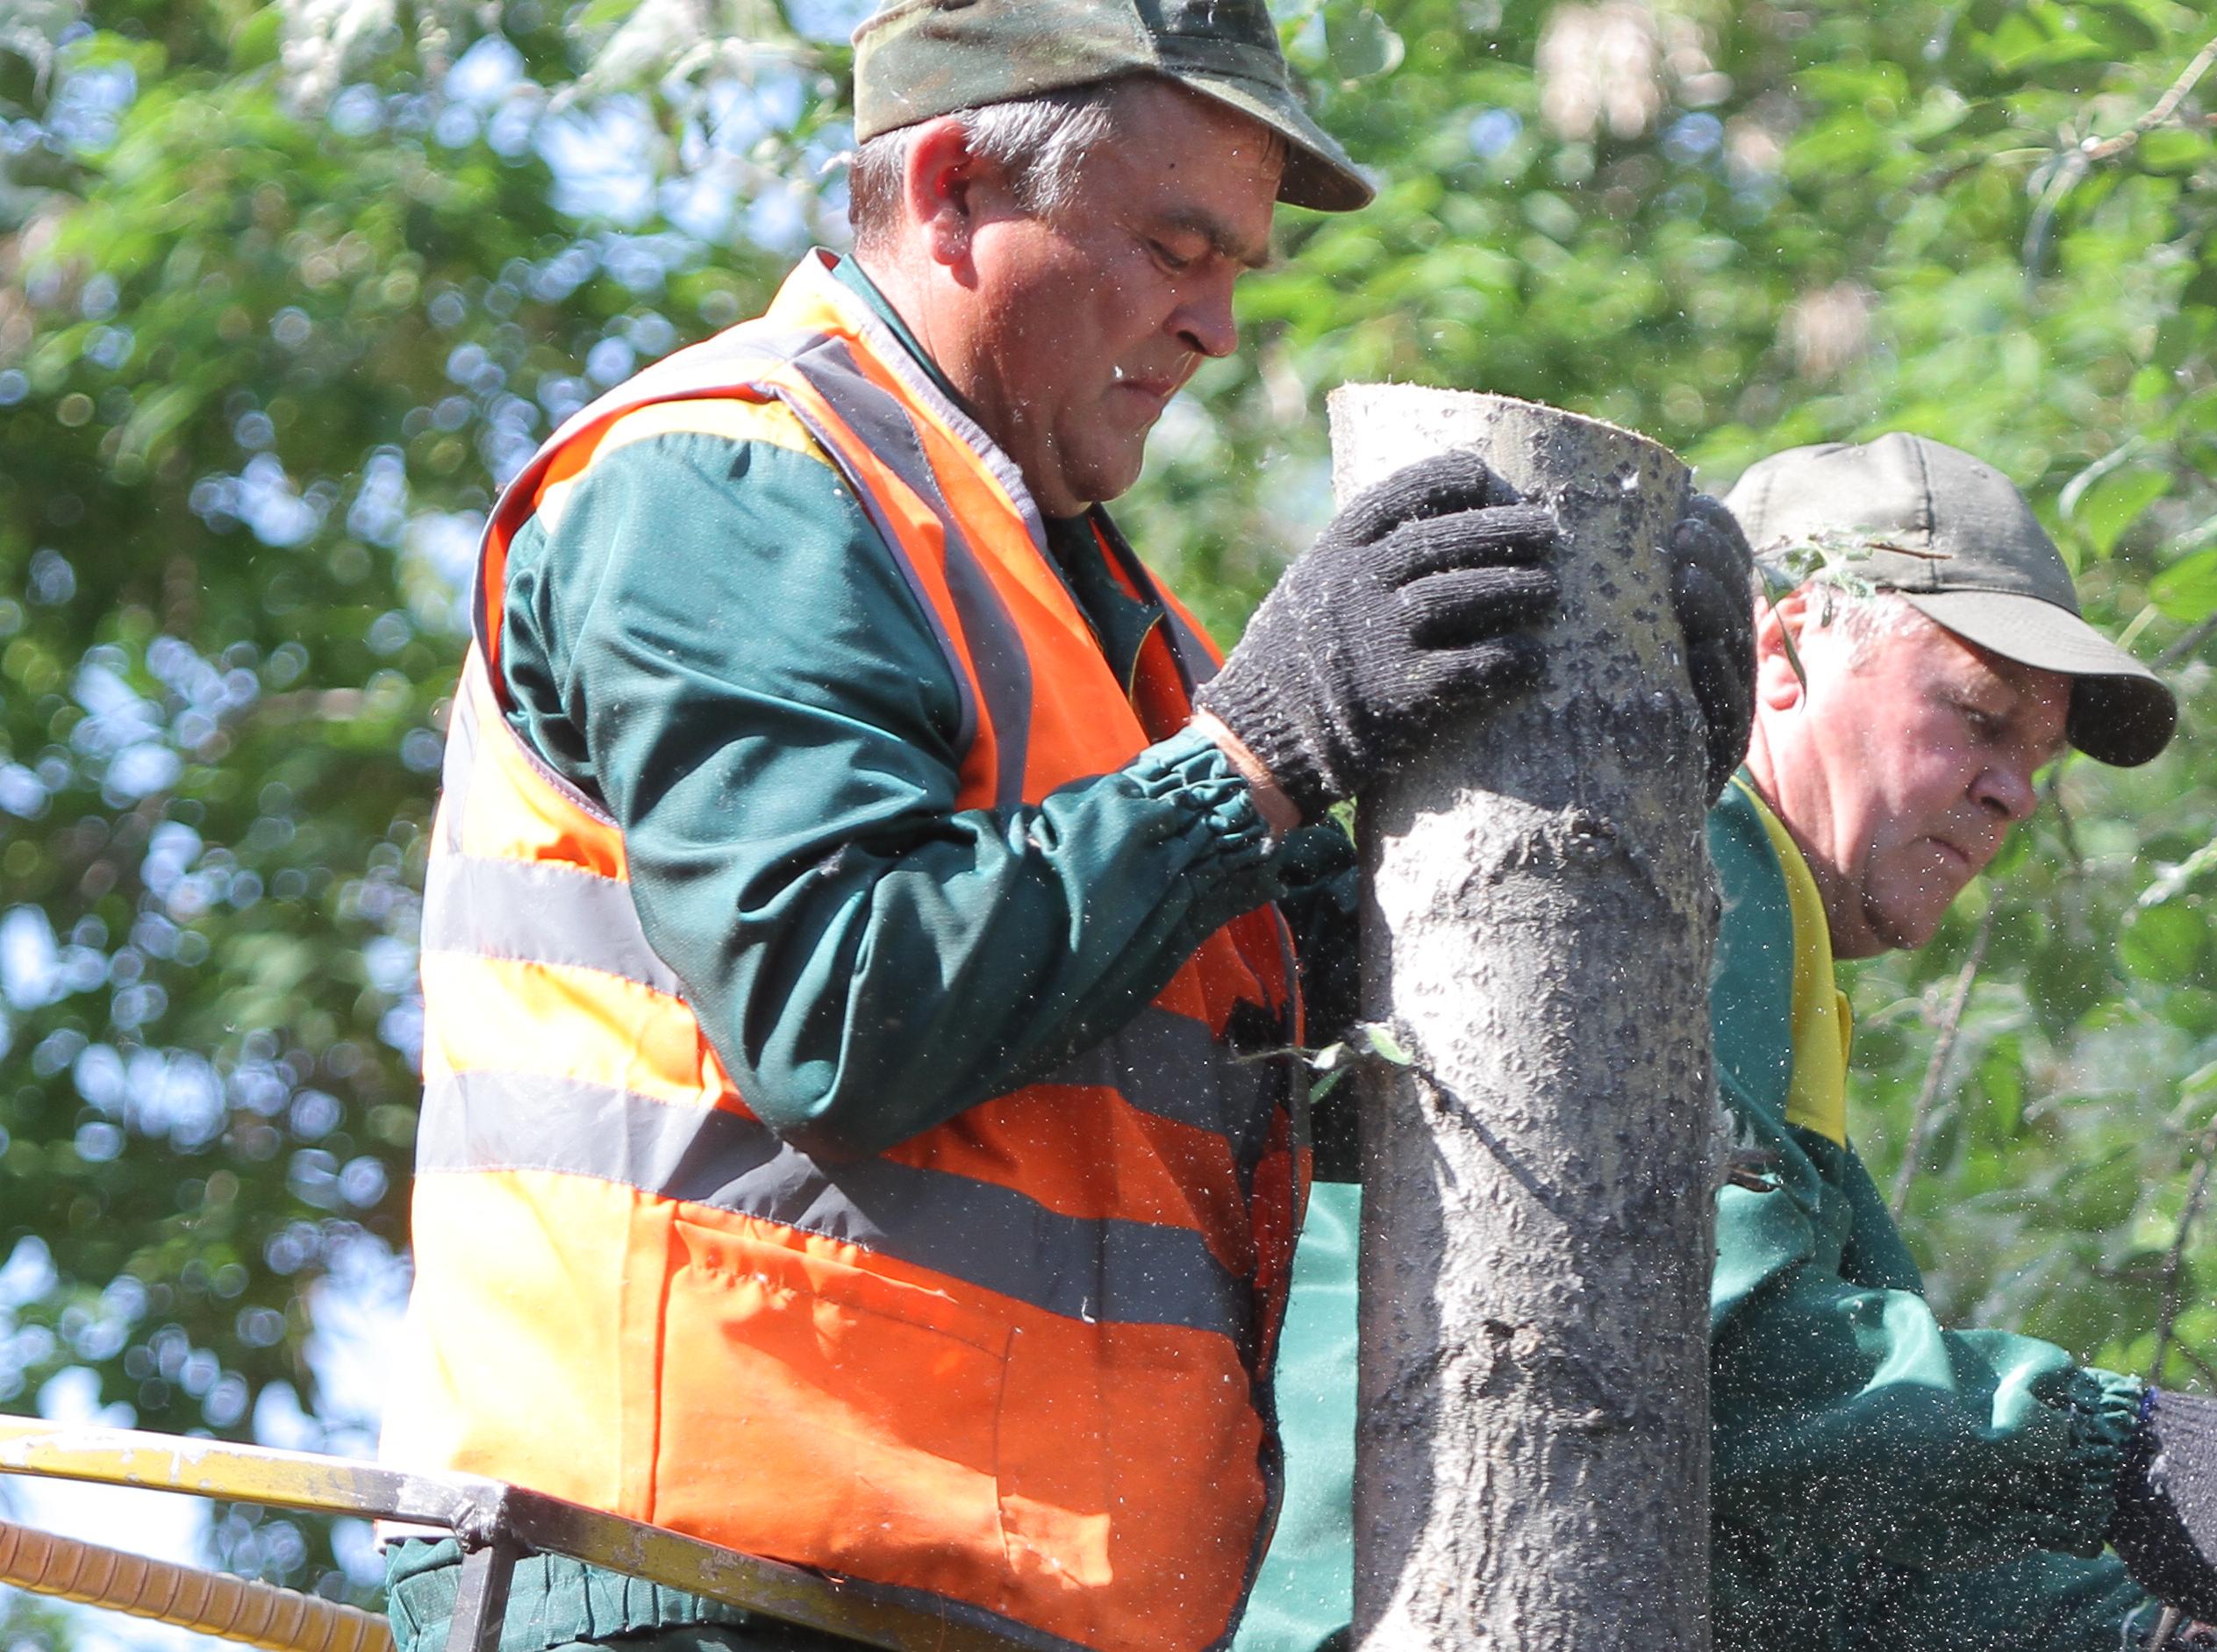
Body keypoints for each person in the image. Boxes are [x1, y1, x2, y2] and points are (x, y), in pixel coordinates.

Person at [384, 4, 1742, 1648]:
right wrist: (1253, 756)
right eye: (1177, 249)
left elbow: (1349, 1082)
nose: (1219, 326)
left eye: (1239, 267)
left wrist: (1609, 751)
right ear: (952, 187)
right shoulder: (724, 487)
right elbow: (838, 1003)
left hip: (983, 1604)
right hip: (697, 1588)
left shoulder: (1125, 642)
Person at [1237, 435, 2217, 1652]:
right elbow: (1698, 1341)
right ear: (1783, 648)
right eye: (1978, 721)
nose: (2016, 794)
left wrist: (2147, 1640)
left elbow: (1808, 1529)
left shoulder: (1779, 958)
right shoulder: (1691, 865)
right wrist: (2111, 1443)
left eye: (2036, 762)